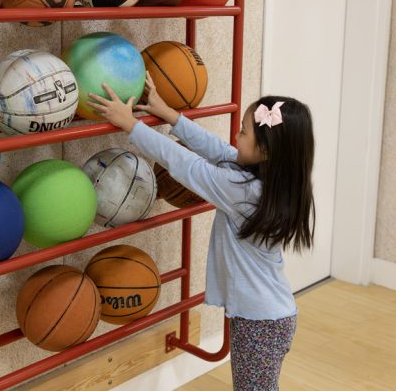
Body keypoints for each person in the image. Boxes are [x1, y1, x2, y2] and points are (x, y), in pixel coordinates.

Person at [88, 73, 316, 391]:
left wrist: (131, 126)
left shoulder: (245, 191)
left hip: (259, 323)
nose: (236, 137)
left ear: (265, 152)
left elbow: (188, 165)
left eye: (243, 131)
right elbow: (216, 149)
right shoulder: (269, 183)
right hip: (267, 317)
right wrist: (168, 114)